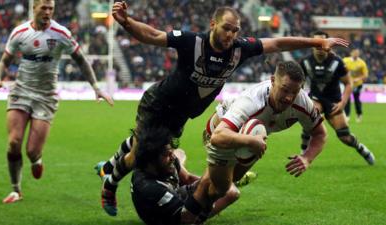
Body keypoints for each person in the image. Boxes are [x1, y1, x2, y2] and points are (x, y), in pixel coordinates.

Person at [97, 1, 348, 216]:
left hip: (182, 113)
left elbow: (278, 43)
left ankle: (109, 166)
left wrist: (316, 41)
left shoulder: (240, 49)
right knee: (143, 151)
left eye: (235, 30)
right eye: (227, 28)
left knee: (157, 149)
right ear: (213, 24)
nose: (231, 35)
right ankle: (110, 184)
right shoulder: (191, 42)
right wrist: (127, 22)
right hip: (159, 103)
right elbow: (152, 35)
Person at [0, 0, 114, 204]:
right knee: (13, 142)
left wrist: (96, 88)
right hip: (21, 91)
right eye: (44, 8)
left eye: (51, 9)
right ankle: (16, 190)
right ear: (34, 8)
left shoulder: (61, 33)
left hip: (46, 97)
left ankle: (36, 159)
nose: (48, 12)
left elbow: (81, 60)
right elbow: (4, 60)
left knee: (31, 151)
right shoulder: (19, 32)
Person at [191, 61, 327, 214]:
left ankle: (193, 197)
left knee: (228, 181)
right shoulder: (252, 100)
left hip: (253, 135)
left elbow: (320, 134)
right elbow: (218, 137)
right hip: (223, 130)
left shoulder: (304, 103)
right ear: (273, 80)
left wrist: (307, 158)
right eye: (285, 90)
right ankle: (190, 212)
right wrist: (251, 141)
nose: (289, 98)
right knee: (220, 188)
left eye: (294, 92)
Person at [131, 125, 240, 225]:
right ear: (151, 159)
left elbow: (187, 178)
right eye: (167, 154)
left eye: (171, 151)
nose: (172, 157)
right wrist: (207, 180)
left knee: (180, 153)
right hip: (172, 218)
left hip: (174, 195)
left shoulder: (161, 163)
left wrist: (214, 182)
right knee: (231, 192)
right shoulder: (149, 187)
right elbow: (185, 218)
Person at [300, 31, 374, 166]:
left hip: (333, 100)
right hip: (316, 98)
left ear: (328, 45)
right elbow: (299, 82)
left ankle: (361, 149)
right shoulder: (305, 62)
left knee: (344, 137)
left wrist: (343, 102)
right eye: (316, 44)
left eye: (322, 44)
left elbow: (349, 83)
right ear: (311, 45)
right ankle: (303, 153)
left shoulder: (337, 62)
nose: (319, 47)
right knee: (310, 114)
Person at [343, 49, 369, 123]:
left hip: (357, 84)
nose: (356, 54)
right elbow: (340, 70)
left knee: (356, 99)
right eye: (354, 52)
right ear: (351, 53)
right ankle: (347, 116)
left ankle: (359, 114)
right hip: (347, 83)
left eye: (357, 53)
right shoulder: (345, 61)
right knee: (347, 99)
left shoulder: (362, 63)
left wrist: (358, 79)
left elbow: (365, 75)